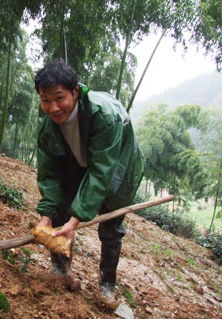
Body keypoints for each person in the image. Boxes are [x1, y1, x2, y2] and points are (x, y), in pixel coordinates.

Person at [34, 60, 144, 304]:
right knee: (61, 210)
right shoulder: (47, 129)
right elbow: (50, 175)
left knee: (110, 227)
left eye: (59, 98)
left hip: (117, 167)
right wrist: (47, 215)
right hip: (78, 164)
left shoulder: (103, 115)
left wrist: (77, 219)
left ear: (75, 91)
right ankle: (60, 270)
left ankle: (107, 286)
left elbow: (102, 171)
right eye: (45, 100)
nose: (53, 108)